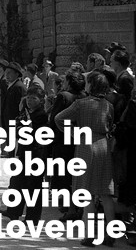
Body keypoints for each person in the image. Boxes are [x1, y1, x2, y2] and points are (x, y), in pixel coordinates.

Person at [55, 71, 117, 247]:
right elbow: (111, 125)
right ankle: (110, 234)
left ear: (91, 85)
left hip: (85, 146)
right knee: (105, 193)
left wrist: (72, 132)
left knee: (86, 193)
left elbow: (59, 118)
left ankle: (90, 235)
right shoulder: (108, 105)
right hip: (103, 146)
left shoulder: (80, 104)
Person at [0, 85, 50, 222]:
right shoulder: (26, 112)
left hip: (36, 153)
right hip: (23, 151)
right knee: (17, 181)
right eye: (28, 98)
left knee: (33, 186)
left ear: (41, 100)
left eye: (33, 98)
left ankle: (32, 218)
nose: (29, 101)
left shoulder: (41, 116)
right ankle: (13, 211)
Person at [50, 66, 87, 222]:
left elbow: (54, 119)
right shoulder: (85, 96)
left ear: (69, 83)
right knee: (77, 174)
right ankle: (77, 206)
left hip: (63, 141)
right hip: (81, 141)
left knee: (64, 175)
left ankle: (69, 206)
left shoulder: (63, 96)